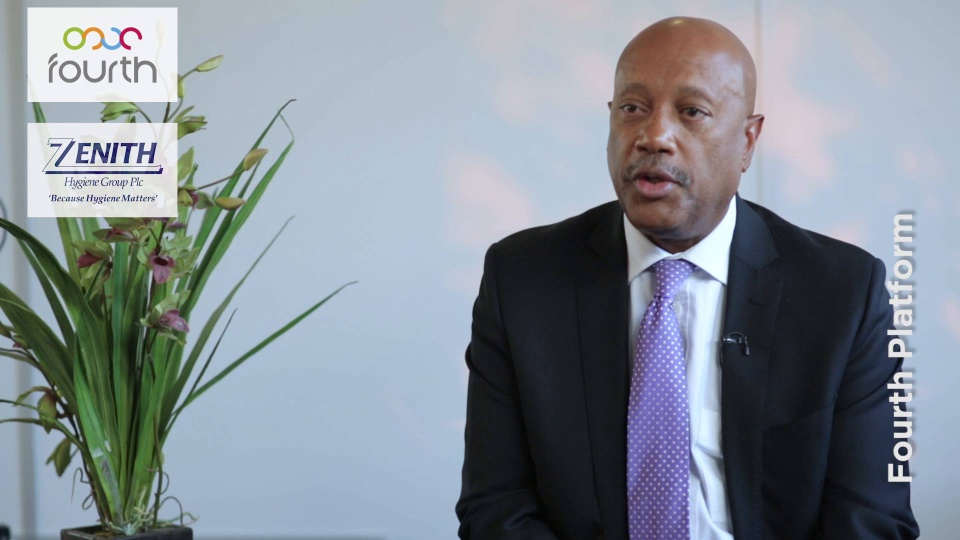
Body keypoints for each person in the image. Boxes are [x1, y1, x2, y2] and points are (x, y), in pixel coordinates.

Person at [455, 16, 919, 540]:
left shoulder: (844, 293)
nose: (653, 136)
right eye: (633, 109)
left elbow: (872, 519)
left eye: (692, 111)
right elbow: (496, 509)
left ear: (747, 141)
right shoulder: (522, 281)